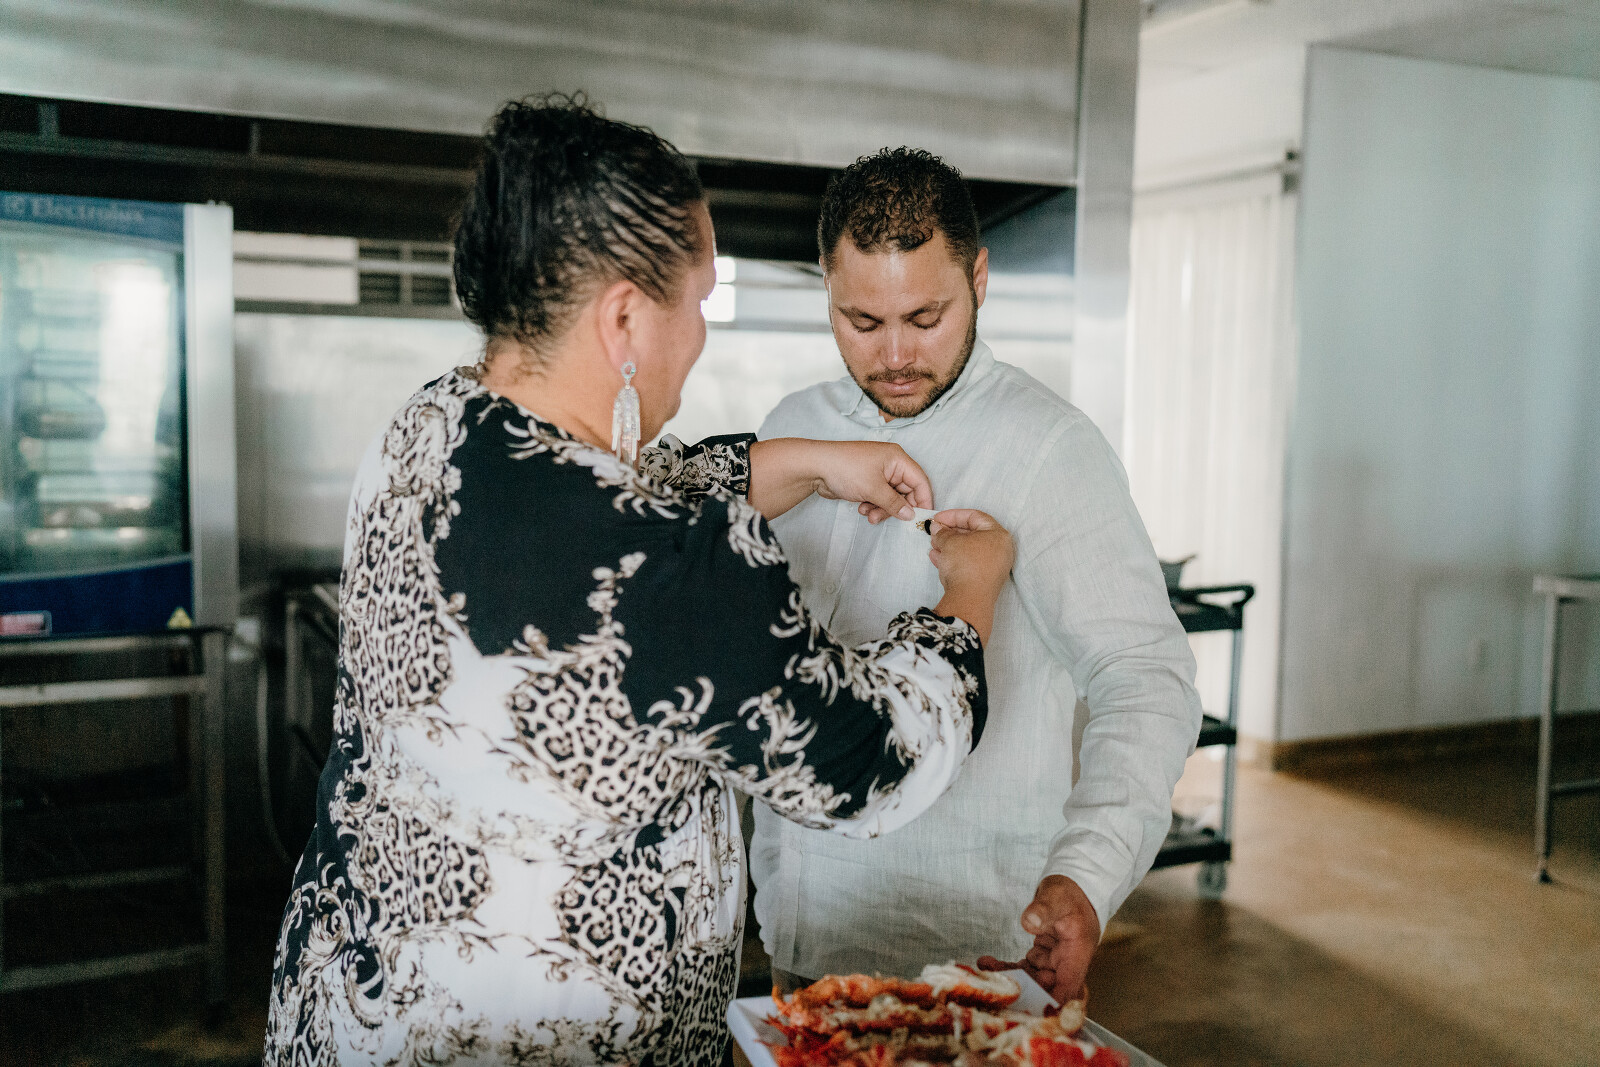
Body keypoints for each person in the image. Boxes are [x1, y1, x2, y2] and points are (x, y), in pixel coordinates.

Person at [263, 101, 1015, 1067]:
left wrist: (813, 461)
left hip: (353, 1009)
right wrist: (967, 600)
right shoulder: (680, 570)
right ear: (623, 317)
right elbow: (870, 761)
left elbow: (609, 490)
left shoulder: (429, 426)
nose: (700, 335)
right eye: (697, 302)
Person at [751, 148, 1202, 1005]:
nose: (894, 354)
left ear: (979, 280)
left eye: (925, 317)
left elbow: (1145, 678)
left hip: (972, 956)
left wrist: (1088, 873)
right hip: (800, 939)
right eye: (861, 320)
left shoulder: (1050, 449)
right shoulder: (791, 431)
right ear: (827, 290)